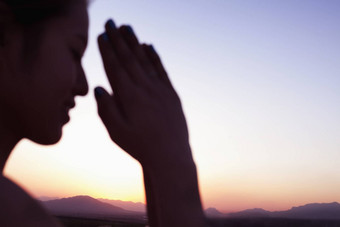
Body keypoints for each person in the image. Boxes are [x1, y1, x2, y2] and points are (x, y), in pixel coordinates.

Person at [0, 0, 205, 226]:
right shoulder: (14, 215)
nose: (83, 86)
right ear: (5, 27)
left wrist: (156, 164)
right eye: (75, 52)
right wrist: (174, 160)